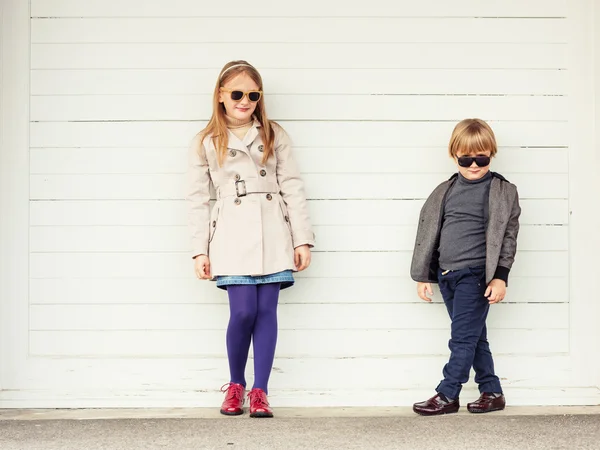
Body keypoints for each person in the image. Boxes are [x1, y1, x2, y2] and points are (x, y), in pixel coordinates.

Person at [187, 60, 315, 418]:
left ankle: (260, 391)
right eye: (237, 93)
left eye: (253, 95)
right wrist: (199, 250)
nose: (245, 101)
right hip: (230, 232)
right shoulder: (207, 141)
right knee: (243, 312)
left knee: (266, 313)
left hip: (273, 229)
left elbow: (292, 186)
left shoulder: (274, 134)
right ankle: (235, 384)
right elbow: (197, 199)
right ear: (221, 96)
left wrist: (301, 239)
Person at [410, 118, 520, 415]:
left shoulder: (502, 191)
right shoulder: (444, 190)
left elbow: (508, 238)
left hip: (475, 276)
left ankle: (447, 394)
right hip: (447, 276)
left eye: (481, 158)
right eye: (466, 158)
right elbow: (430, 233)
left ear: (491, 154)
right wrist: (424, 275)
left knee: (461, 339)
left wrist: (500, 277)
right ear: (454, 155)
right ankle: (492, 391)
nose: (474, 165)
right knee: (474, 337)